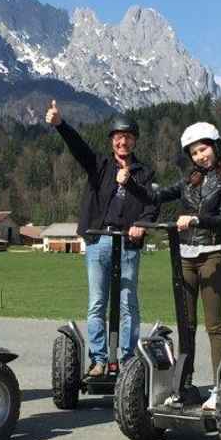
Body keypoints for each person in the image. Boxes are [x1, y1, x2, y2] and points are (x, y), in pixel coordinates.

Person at [45, 100, 157, 378]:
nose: (123, 142)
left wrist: (141, 225)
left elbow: (153, 205)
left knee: (128, 302)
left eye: (128, 137)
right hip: (99, 240)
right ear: (112, 141)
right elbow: (79, 147)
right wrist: (61, 124)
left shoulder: (144, 173)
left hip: (128, 243)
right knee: (97, 302)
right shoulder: (100, 165)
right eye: (119, 137)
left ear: (134, 141)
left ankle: (128, 361)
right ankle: (99, 360)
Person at [151, 122, 221, 409]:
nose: (200, 156)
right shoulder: (188, 181)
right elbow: (158, 194)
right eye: (193, 152)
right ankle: (184, 385)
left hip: (212, 254)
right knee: (186, 325)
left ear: (215, 146)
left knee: (214, 326)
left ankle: (219, 388)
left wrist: (195, 220)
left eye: (203, 149)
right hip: (185, 257)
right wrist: (131, 184)